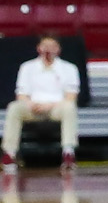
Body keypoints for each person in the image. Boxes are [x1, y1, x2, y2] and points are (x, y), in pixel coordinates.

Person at [4, 34, 79, 172]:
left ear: (58, 49)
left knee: (69, 107)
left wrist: (49, 105)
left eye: (52, 46)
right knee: (14, 108)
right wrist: (31, 104)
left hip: (56, 108)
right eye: (45, 46)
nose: (48, 50)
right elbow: (21, 94)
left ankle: (68, 153)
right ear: (39, 48)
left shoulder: (70, 68)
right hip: (33, 108)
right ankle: (10, 154)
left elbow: (71, 96)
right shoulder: (27, 67)